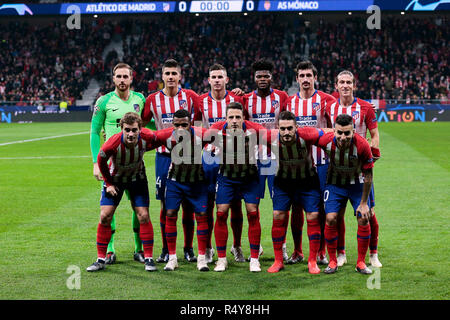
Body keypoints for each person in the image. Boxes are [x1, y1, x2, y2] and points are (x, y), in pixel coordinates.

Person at [86, 112, 160, 272]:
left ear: (140, 129)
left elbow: (162, 137)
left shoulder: (147, 137)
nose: (131, 134)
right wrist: (108, 183)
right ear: (122, 129)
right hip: (116, 180)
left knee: (144, 215)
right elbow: (101, 160)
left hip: (137, 179)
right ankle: (100, 259)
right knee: (105, 215)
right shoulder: (112, 143)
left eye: (134, 130)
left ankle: (148, 258)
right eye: (127, 130)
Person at [142, 59, 198, 264]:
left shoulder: (191, 97)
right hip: (164, 157)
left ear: (180, 76)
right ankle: (166, 249)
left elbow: (200, 120)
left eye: (174, 73)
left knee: (188, 204)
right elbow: (142, 124)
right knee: (166, 206)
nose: (171, 77)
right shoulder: (152, 99)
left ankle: (189, 248)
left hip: (188, 158)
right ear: (162, 76)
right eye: (167, 74)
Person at [90, 62, 147, 265]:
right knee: (108, 209)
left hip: (134, 163)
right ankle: (110, 250)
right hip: (110, 165)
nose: (122, 80)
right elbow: (95, 132)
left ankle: (139, 249)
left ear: (132, 78)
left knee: (138, 207)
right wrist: (96, 162)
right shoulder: (104, 101)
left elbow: (146, 127)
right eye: (118, 76)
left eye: (126, 76)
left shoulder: (140, 99)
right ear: (113, 79)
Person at [265, 111, 333, 274]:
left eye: (290, 128)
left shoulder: (307, 134)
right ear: (278, 128)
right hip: (283, 182)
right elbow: (247, 132)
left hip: (307, 181)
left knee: (313, 217)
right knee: (278, 216)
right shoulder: (269, 137)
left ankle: (312, 261)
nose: (286, 132)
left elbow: (329, 134)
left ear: (297, 127)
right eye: (283, 129)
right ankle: (278, 260)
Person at [328, 70, 382, 268]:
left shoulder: (366, 107)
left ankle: (373, 253)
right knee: (338, 214)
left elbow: (375, 134)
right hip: (337, 170)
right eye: (341, 82)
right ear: (336, 85)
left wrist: (371, 155)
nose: (345, 85)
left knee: (368, 213)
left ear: (354, 85)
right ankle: (341, 253)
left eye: (348, 82)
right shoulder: (329, 107)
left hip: (360, 170)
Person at [193, 63, 247, 263]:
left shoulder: (237, 99)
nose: (216, 80)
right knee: (207, 205)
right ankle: (208, 248)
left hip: (234, 158)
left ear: (227, 80)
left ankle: (237, 246)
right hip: (209, 159)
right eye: (213, 77)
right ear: (209, 80)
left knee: (235, 204)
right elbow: (197, 130)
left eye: (220, 77)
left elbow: (244, 124)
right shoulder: (200, 102)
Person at [287, 60, 337, 265]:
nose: (306, 79)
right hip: (299, 164)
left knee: (323, 208)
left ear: (315, 78)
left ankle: (321, 252)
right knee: (296, 207)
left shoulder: (327, 100)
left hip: (323, 161)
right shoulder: (289, 102)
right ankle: (298, 251)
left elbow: (337, 127)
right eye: (302, 76)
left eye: (309, 76)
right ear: (297, 78)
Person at [208, 102, 265, 272]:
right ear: (226, 118)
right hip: (226, 177)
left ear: (243, 118)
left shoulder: (256, 130)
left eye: (237, 117)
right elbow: (208, 152)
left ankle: (254, 259)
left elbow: (269, 145)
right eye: (231, 117)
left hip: (249, 178)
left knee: (253, 213)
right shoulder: (216, 130)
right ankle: (222, 259)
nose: (234, 120)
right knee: (221, 213)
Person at [243, 59, 289, 262]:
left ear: (272, 77)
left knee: (280, 207)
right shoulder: (246, 99)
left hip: (276, 160)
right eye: (259, 76)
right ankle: (257, 245)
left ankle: (283, 246)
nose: (262, 79)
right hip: (254, 160)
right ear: (254, 78)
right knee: (253, 207)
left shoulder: (282, 97)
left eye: (266, 76)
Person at [153, 109, 211, 272]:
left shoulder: (202, 134)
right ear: (172, 125)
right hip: (175, 182)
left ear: (190, 124)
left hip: (196, 182)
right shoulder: (165, 135)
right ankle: (172, 258)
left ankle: (201, 258)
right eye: (176, 125)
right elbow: (147, 139)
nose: (180, 129)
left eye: (184, 125)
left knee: (201, 216)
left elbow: (221, 137)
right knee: (170, 214)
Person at [317, 113, 374, 274]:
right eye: (339, 133)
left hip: (357, 185)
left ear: (354, 132)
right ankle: (333, 261)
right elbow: (308, 135)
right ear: (334, 131)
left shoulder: (362, 145)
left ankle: (361, 263)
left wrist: (364, 203)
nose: (343, 137)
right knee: (330, 218)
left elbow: (369, 175)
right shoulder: (326, 140)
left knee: (364, 217)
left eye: (347, 133)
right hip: (335, 184)